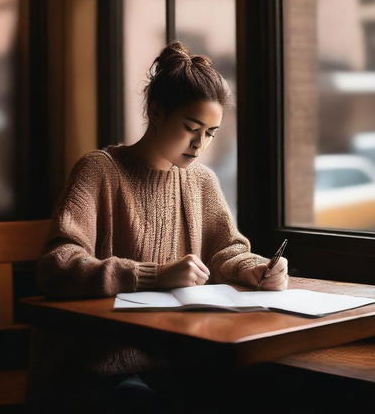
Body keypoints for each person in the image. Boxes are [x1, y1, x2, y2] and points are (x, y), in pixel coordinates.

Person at [26, 41, 289, 413]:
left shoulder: (201, 181)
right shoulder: (99, 170)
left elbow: (226, 250)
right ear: (156, 111)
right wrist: (153, 276)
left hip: (176, 357)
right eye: (191, 128)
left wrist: (255, 269)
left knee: (264, 389)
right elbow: (57, 265)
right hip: (95, 368)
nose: (199, 145)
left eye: (210, 133)